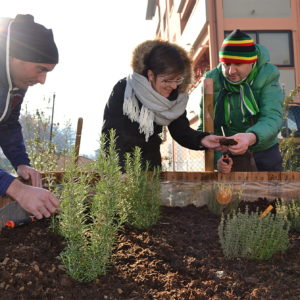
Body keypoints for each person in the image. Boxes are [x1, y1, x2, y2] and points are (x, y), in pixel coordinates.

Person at [102, 40, 224, 171]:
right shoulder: (125, 90)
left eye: (178, 79)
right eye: (166, 80)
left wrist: (203, 139)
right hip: (123, 169)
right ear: (150, 75)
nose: (173, 86)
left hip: (152, 168)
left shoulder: (175, 96)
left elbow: (181, 131)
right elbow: (110, 135)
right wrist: (119, 171)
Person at [199, 29, 284, 173]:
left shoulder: (268, 75)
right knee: (233, 195)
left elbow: (272, 117)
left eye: (238, 64)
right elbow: (207, 128)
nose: (231, 71)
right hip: (230, 152)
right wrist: (219, 160)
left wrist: (250, 137)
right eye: (226, 64)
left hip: (264, 148)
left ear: (251, 62)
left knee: (270, 194)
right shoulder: (211, 81)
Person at [0, 14, 60, 219]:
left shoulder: (17, 82)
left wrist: (20, 162)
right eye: (41, 69)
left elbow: (7, 124)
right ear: (15, 57)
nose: (42, 80)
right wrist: (17, 189)